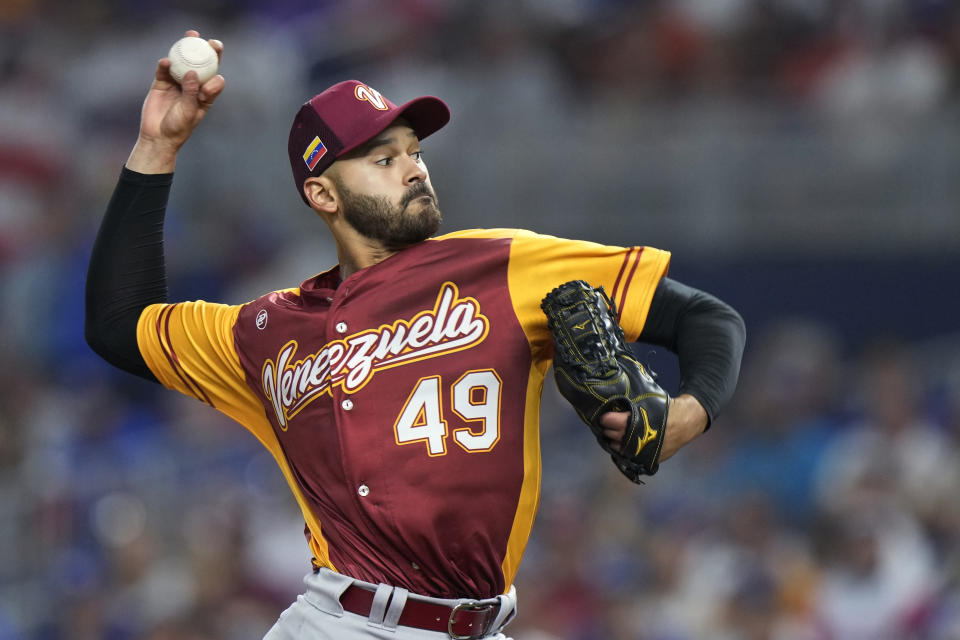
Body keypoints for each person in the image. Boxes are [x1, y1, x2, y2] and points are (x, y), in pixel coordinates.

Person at [85, 31, 746, 640]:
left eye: (414, 151)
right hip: (339, 624)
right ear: (322, 194)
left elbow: (708, 319)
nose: (414, 169)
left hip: (480, 625)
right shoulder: (266, 332)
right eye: (382, 158)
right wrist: (157, 147)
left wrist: (689, 413)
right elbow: (118, 325)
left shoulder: (505, 264)